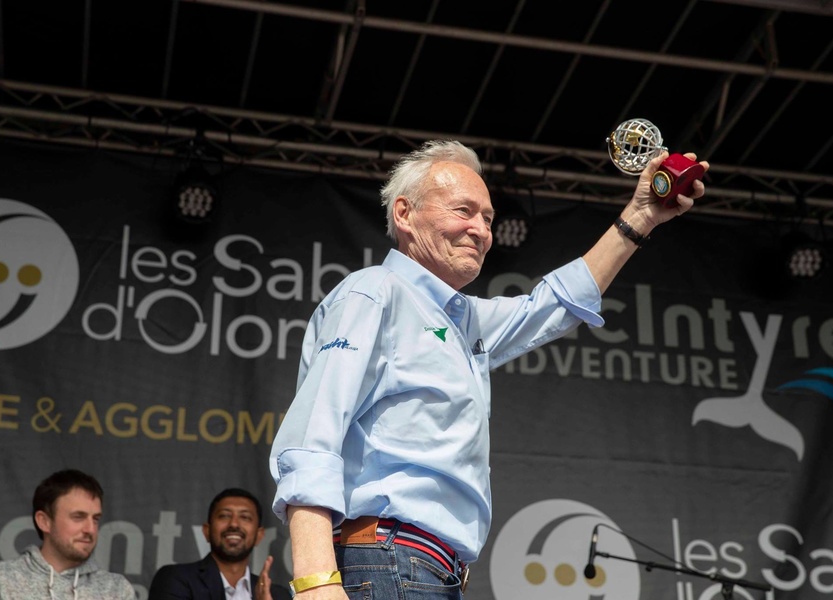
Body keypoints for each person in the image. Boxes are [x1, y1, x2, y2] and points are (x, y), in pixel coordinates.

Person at [269, 139, 708, 599]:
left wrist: (639, 217)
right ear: (404, 213)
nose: (480, 230)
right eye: (464, 211)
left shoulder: (464, 319)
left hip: (431, 570)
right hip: (386, 557)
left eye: (488, 218)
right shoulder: (375, 293)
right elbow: (311, 435)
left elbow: (554, 305)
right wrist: (315, 580)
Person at [0, 468, 135, 600]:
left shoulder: (117, 590)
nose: (90, 529)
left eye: (96, 519)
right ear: (44, 521)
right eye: (78, 517)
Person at [148, 488, 289, 600]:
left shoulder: (277, 595)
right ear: (206, 531)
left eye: (245, 517)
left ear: (259, 535)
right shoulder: (175, 579)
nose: (234, 524)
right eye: (224, 516)